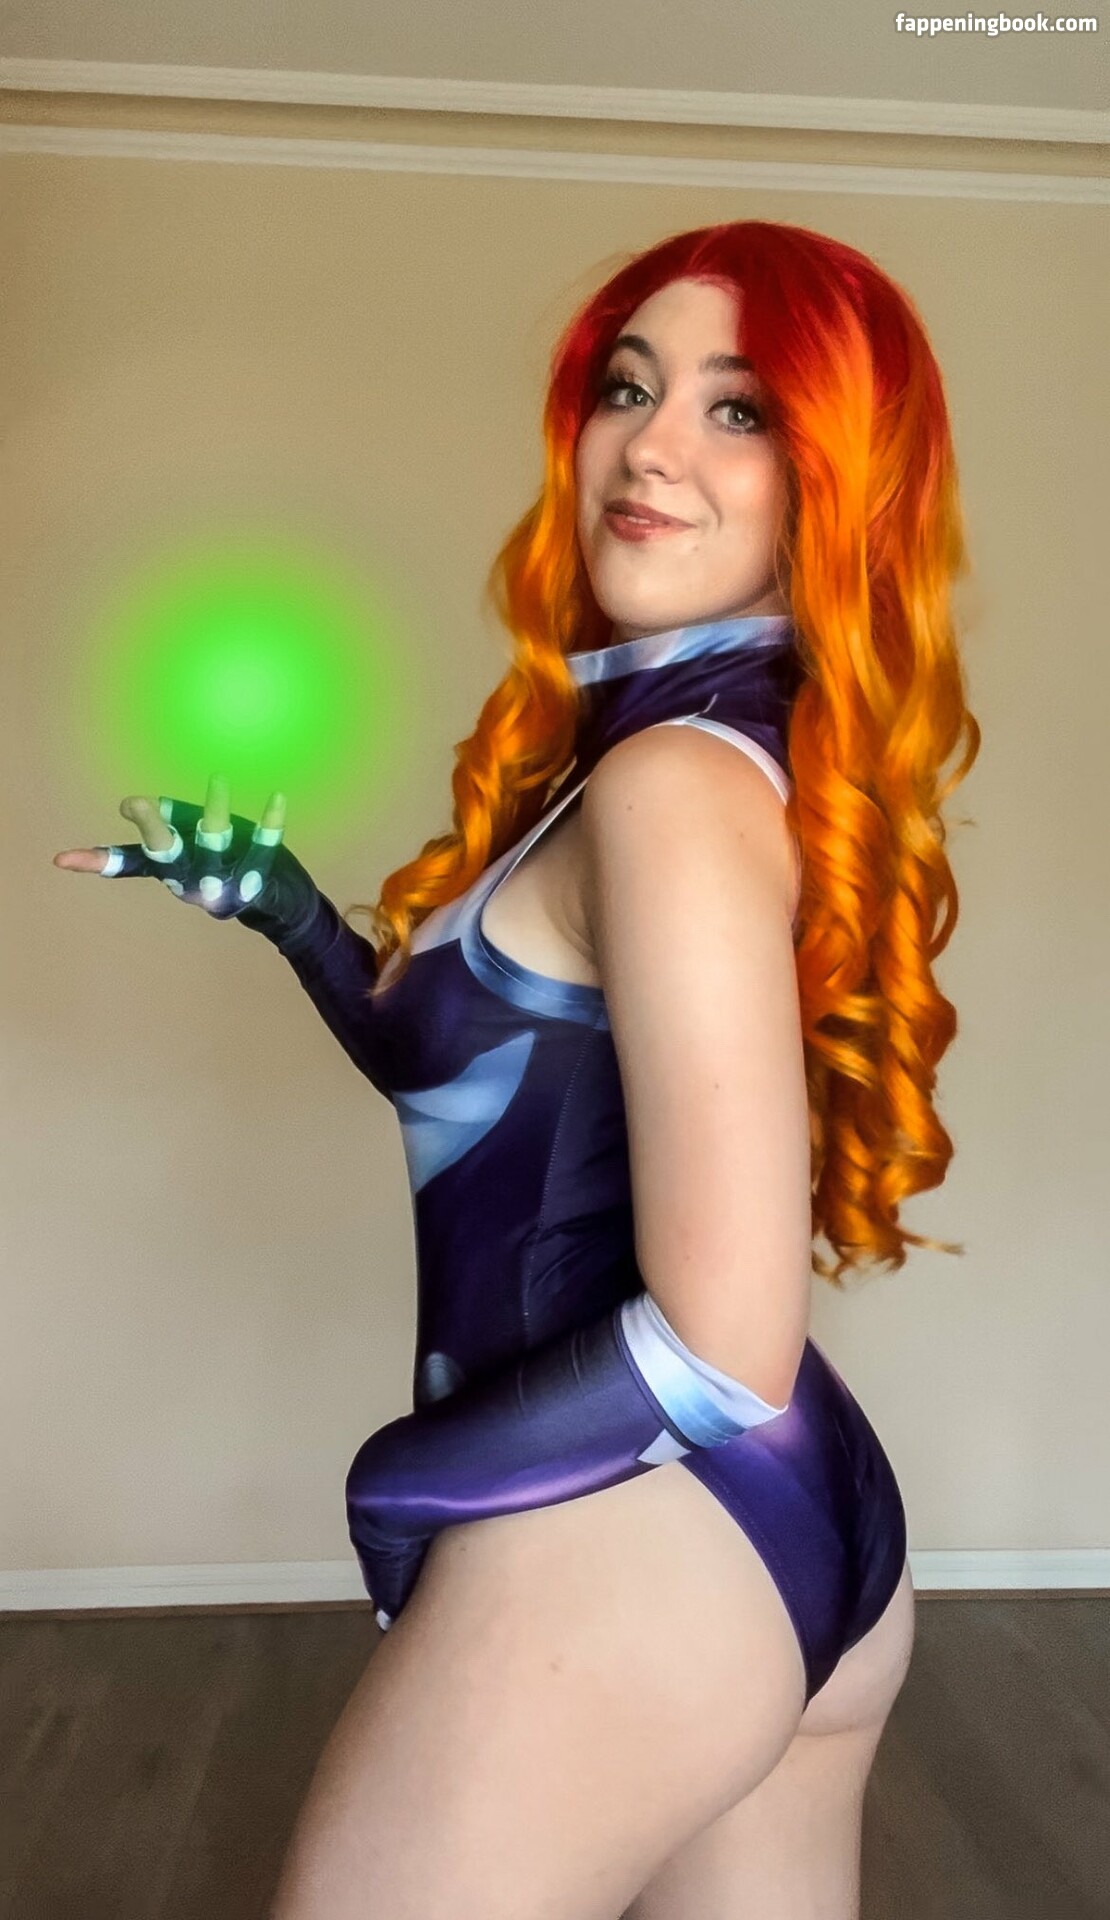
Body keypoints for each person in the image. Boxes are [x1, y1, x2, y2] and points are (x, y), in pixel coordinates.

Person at [54, 219, 980, 1918]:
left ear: (838, 481)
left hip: (636, 1528)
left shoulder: (670, 788)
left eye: (738, 409)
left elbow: (723, 1343)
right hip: (766, 1529)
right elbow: (469, 1081)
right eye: (629, 389)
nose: (651, 446)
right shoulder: (668, 764)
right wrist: (290, 915)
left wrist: (407, 1480)